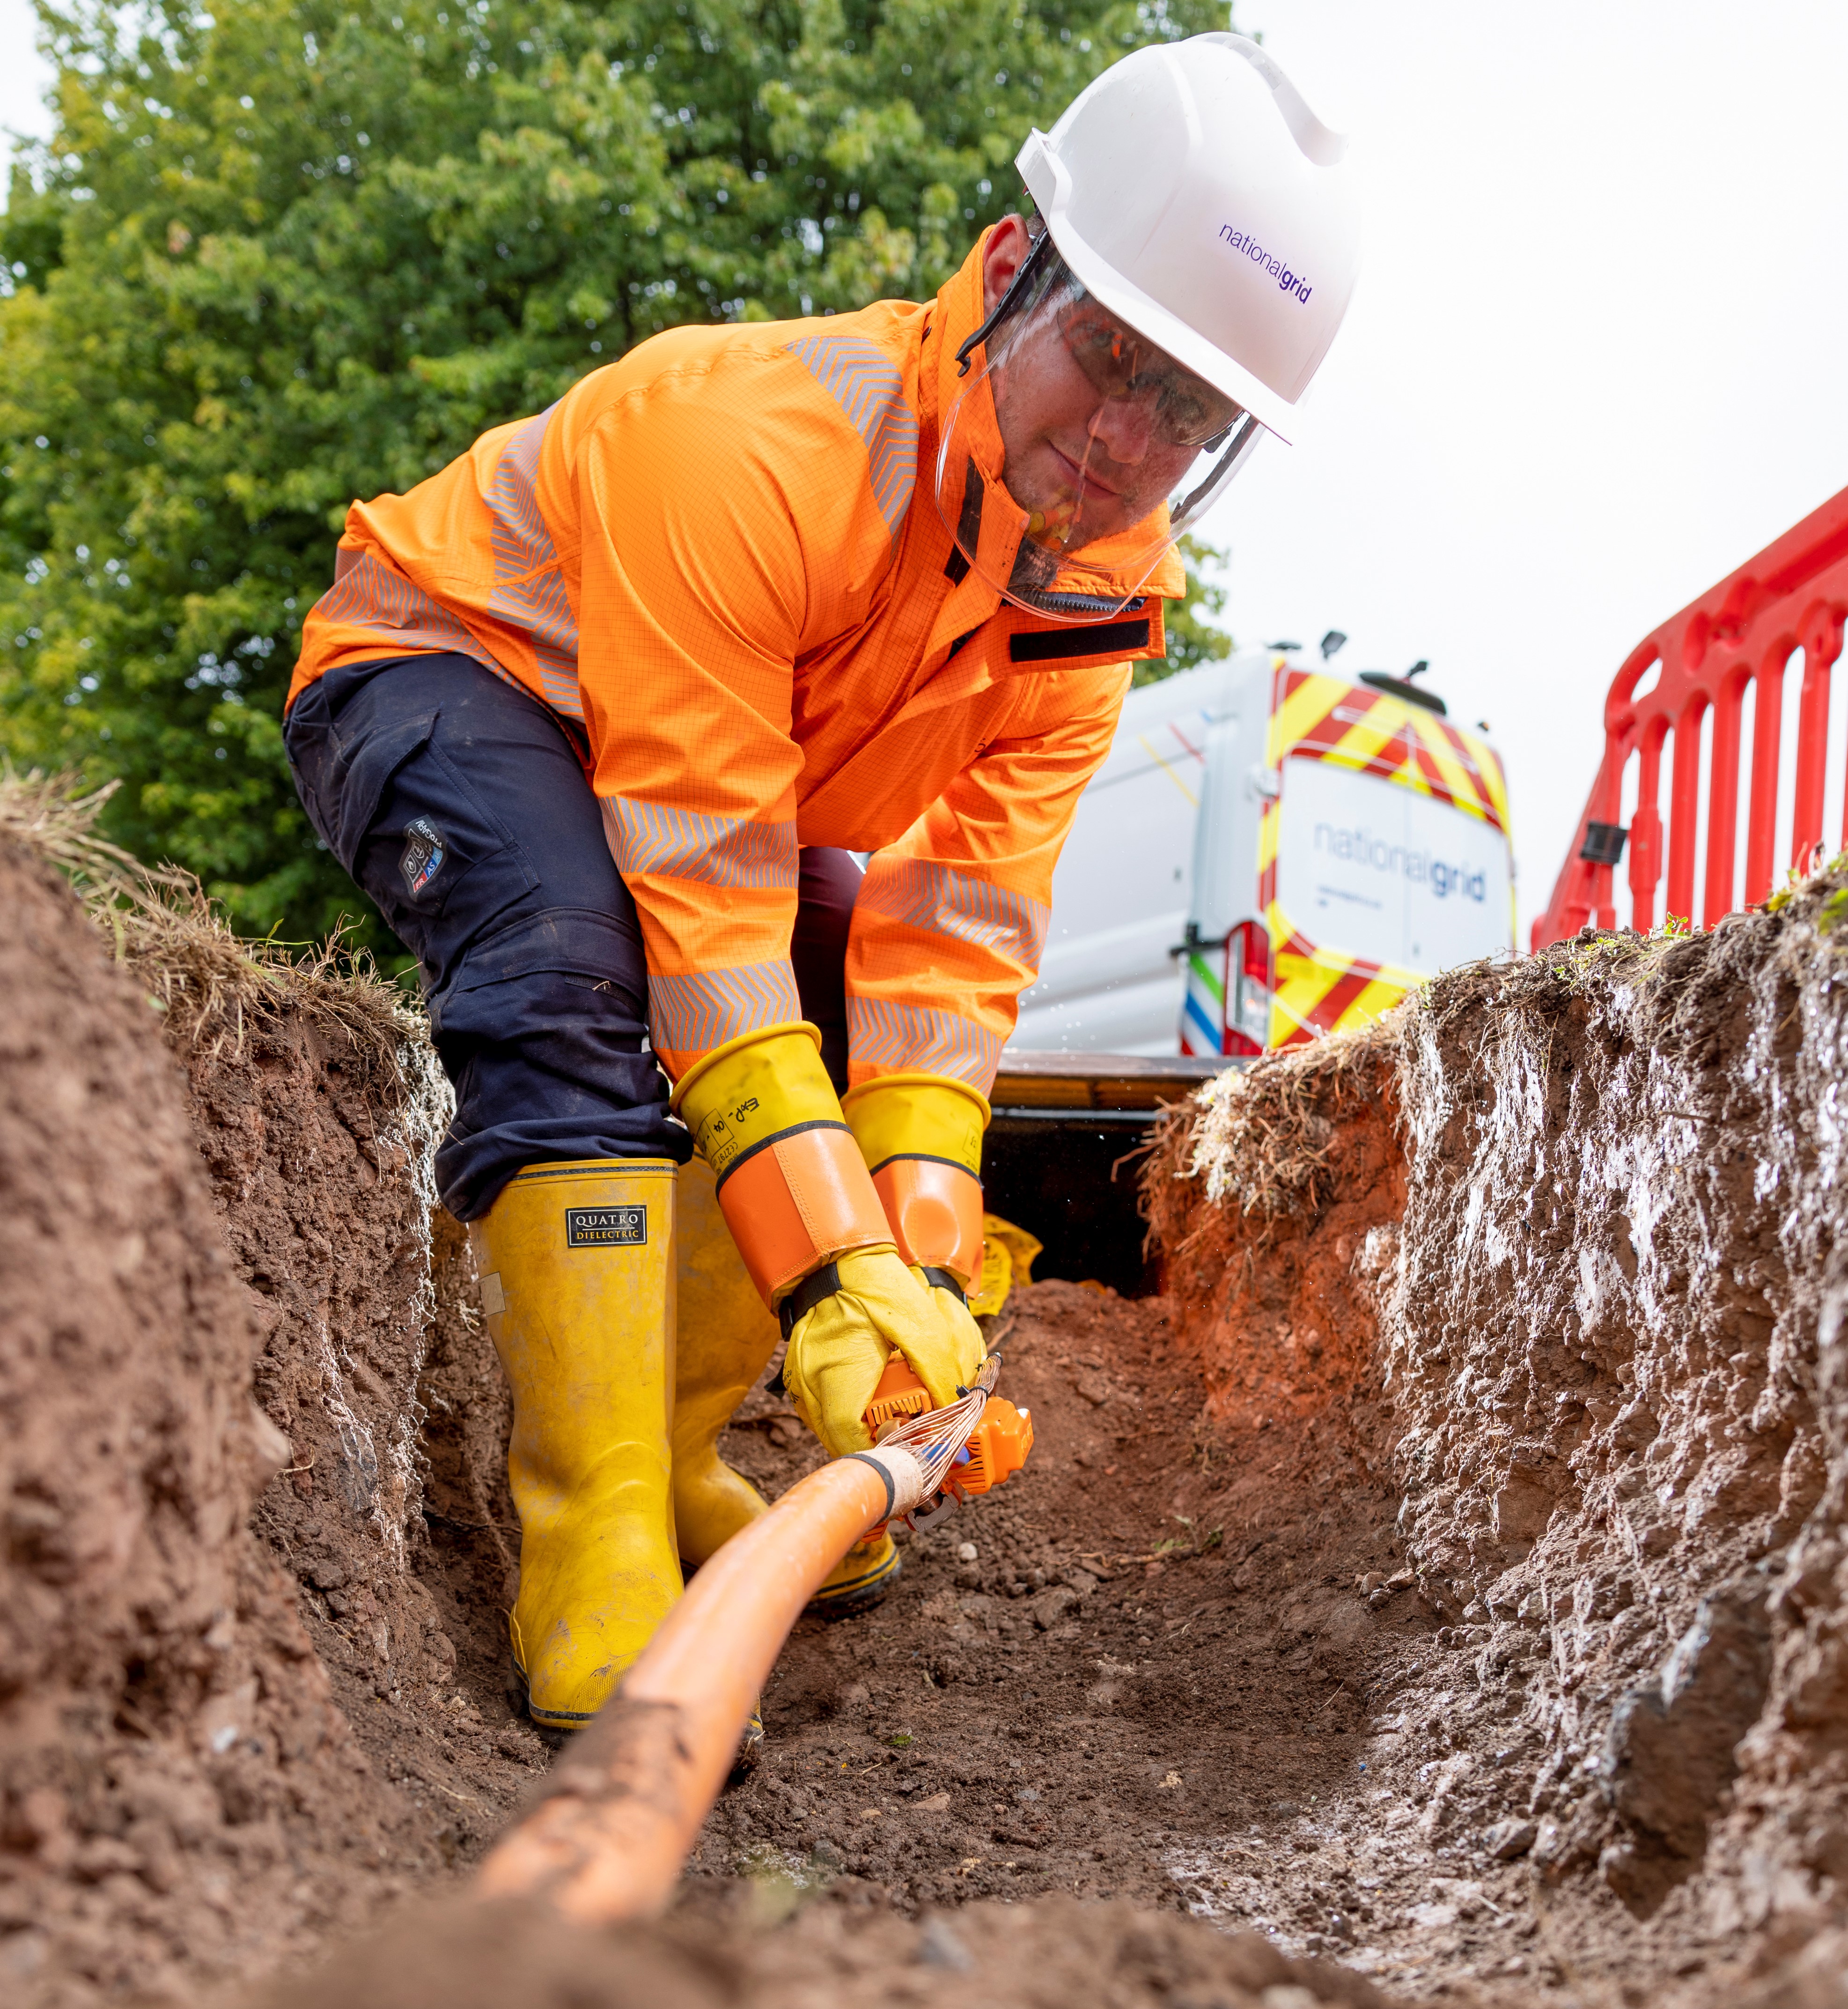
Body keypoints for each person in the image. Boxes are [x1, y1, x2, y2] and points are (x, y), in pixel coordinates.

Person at [281, 33, 1361, 1732]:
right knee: (570, 958)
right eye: (1108, 357)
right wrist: (818, 1269)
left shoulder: (1088, 611)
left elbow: (951, 950)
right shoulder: (745, 443)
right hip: (456, 671)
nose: (1124, 439)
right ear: (1012, 271)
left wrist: (913, 1270)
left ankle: (684, 1448)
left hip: (698, 786)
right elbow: (700, 903)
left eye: (1190, 413)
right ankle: (591, 1525)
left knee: (844, 965)